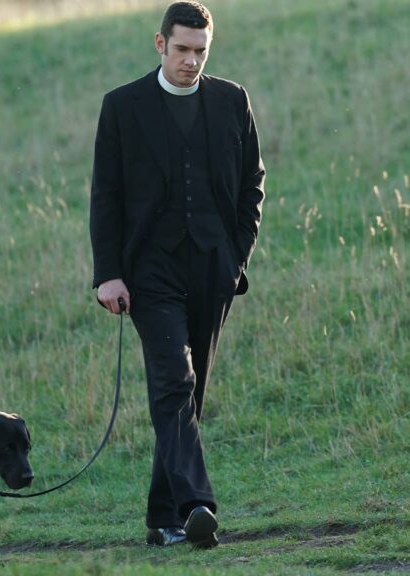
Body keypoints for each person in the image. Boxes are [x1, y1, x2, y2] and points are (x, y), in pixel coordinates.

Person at [88, 1, 265, 549]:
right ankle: (198, 504)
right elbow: (106, 196)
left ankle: (162, 518)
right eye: (182, 49)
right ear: (160, 43)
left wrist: (236, 257)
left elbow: (252, 186)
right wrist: (108, 274)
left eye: (201, 52)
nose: (192, 61)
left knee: (191, 392)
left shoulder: (232, 100)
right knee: (173, 381)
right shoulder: (122, 106)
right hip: (148, 270)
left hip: (213, 266)